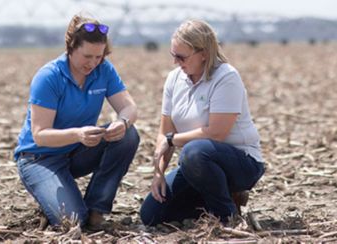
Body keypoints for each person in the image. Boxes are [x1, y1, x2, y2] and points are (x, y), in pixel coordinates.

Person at [14, 14, 139, 228]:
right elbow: (40, 134)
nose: (93, 63)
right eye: (87, 56)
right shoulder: (49, 77)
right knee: (72, 222)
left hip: (76, 152)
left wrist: (123, 122)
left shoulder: (104, 70)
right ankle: (55, 200)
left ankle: (96, 210)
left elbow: (129, 107)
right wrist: (78, 134)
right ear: (71, 48)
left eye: (98, 56)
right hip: (40, 158)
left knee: (128, 135)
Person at [140, 19, 265, 226]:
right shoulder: (173, 79)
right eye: (173, 55)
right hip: (198, 166)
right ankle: (225, 198)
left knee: (193, 151)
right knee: (151, 215)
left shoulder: (226, 77)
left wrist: (172, 140)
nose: (175, 62)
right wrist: (158, 173)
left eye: (181, 57)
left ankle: (226, 215)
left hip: (241, 162)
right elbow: (165, 134)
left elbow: (216, 133)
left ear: (204, 53)